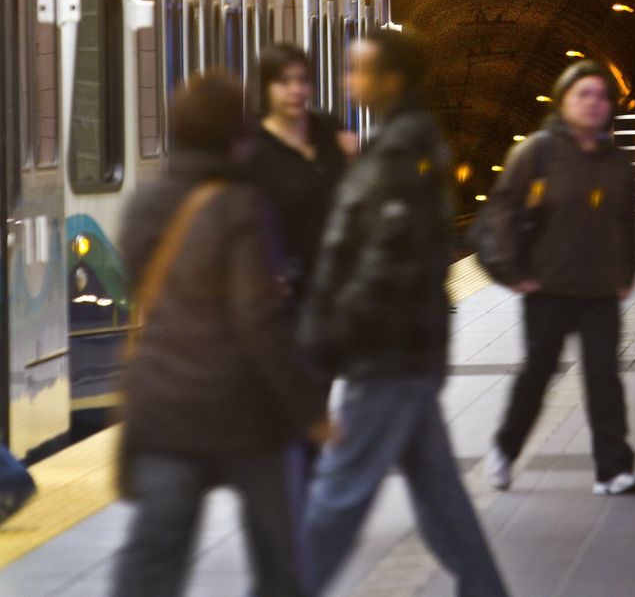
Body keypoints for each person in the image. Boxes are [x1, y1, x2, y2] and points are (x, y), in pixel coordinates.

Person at [299, 29, 510, 597]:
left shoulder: (399, 151)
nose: (350, 81)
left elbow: (382, 267)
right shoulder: (402, 141)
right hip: (406, 349)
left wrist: (327, 342)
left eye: (360, 70)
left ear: (392, 80)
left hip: (386, 353)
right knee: (438, 492)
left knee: (336, 498)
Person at [111, 72, 330, 597]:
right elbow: (258, 319)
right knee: (279, 561)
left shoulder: (145, 203)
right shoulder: (239, 206)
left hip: (163, 406)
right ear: (238, 133)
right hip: (243, 414)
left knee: (154, 560)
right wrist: (308, 409)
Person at [481, 59, 635, 497]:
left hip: (600, 291)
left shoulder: (615, 161)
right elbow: (501, 210)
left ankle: (613, 469)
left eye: (601, 96)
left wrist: (629, 269)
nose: (593, 103)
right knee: (538, 374)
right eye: (582, 95)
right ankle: (505, 448)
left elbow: (625, 220)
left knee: (604, 377)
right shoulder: (537, 152)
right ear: (563, 100)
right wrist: (511, 271)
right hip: (547, 288)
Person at [245, 44, 348, 306]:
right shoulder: (255, 149)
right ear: (266, 88)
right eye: (284, 82)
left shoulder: (329, 131)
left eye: (302, 80)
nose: (296, 90)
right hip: (287, 295)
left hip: (337, 288)